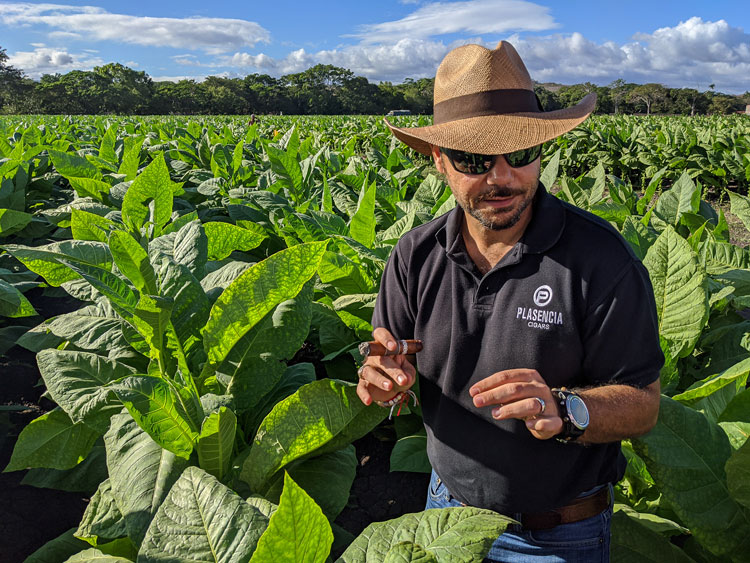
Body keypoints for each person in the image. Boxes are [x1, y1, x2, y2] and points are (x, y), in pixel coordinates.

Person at [355, 41, 663, 562]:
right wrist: (383, 379)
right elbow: (387, 365)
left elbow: (644, 403)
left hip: (559, 536)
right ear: (439, 162)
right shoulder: (414, 255)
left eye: (519, 155)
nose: (501, 177)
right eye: (474, 158)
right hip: (444, 515)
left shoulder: (601, 259)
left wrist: (568, 409)